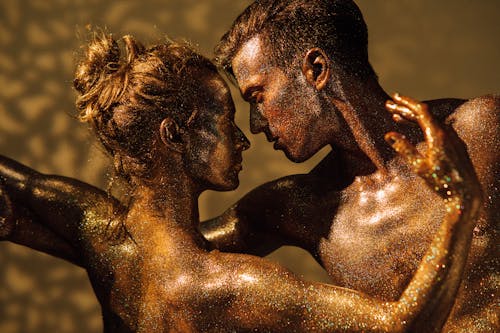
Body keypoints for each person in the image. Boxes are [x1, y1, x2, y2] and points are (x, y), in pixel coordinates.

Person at [0, 32, 482, 332]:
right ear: (175, 135)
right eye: (229, 117)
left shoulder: (101, 236)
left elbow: (19, 190)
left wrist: (23, 226)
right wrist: (460, 204)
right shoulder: (228, 286)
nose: (246, 135)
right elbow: (402, 327)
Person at [200, 0, 499, 331]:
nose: (256, 124)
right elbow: (166, 254)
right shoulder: (303, 208)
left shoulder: (478, 131)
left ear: (316, 69)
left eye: (258, 97)